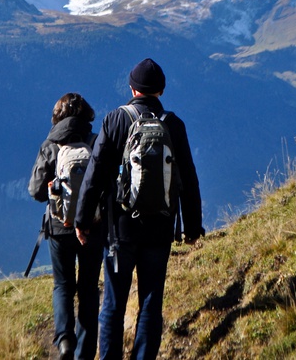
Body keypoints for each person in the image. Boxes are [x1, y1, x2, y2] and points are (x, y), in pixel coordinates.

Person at [75, 58, 205, 360]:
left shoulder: (115, 120)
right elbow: (188, 177)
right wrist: (192, 227)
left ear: (132, 89)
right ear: (160, 90)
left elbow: (94, 175)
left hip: (120, 229)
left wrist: (82, 219)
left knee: (113, 304)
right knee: (150, 301)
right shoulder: (173, 124)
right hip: (160, 229)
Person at [28, 92, 104, 360]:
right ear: (87, 115)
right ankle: (85, 352)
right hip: (93, 226)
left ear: (57, 116)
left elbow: (36, 191)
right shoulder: (95, 142)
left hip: (60, 228)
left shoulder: (50, 145)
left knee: (62, 285)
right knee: (88, 288)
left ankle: (64, 343)